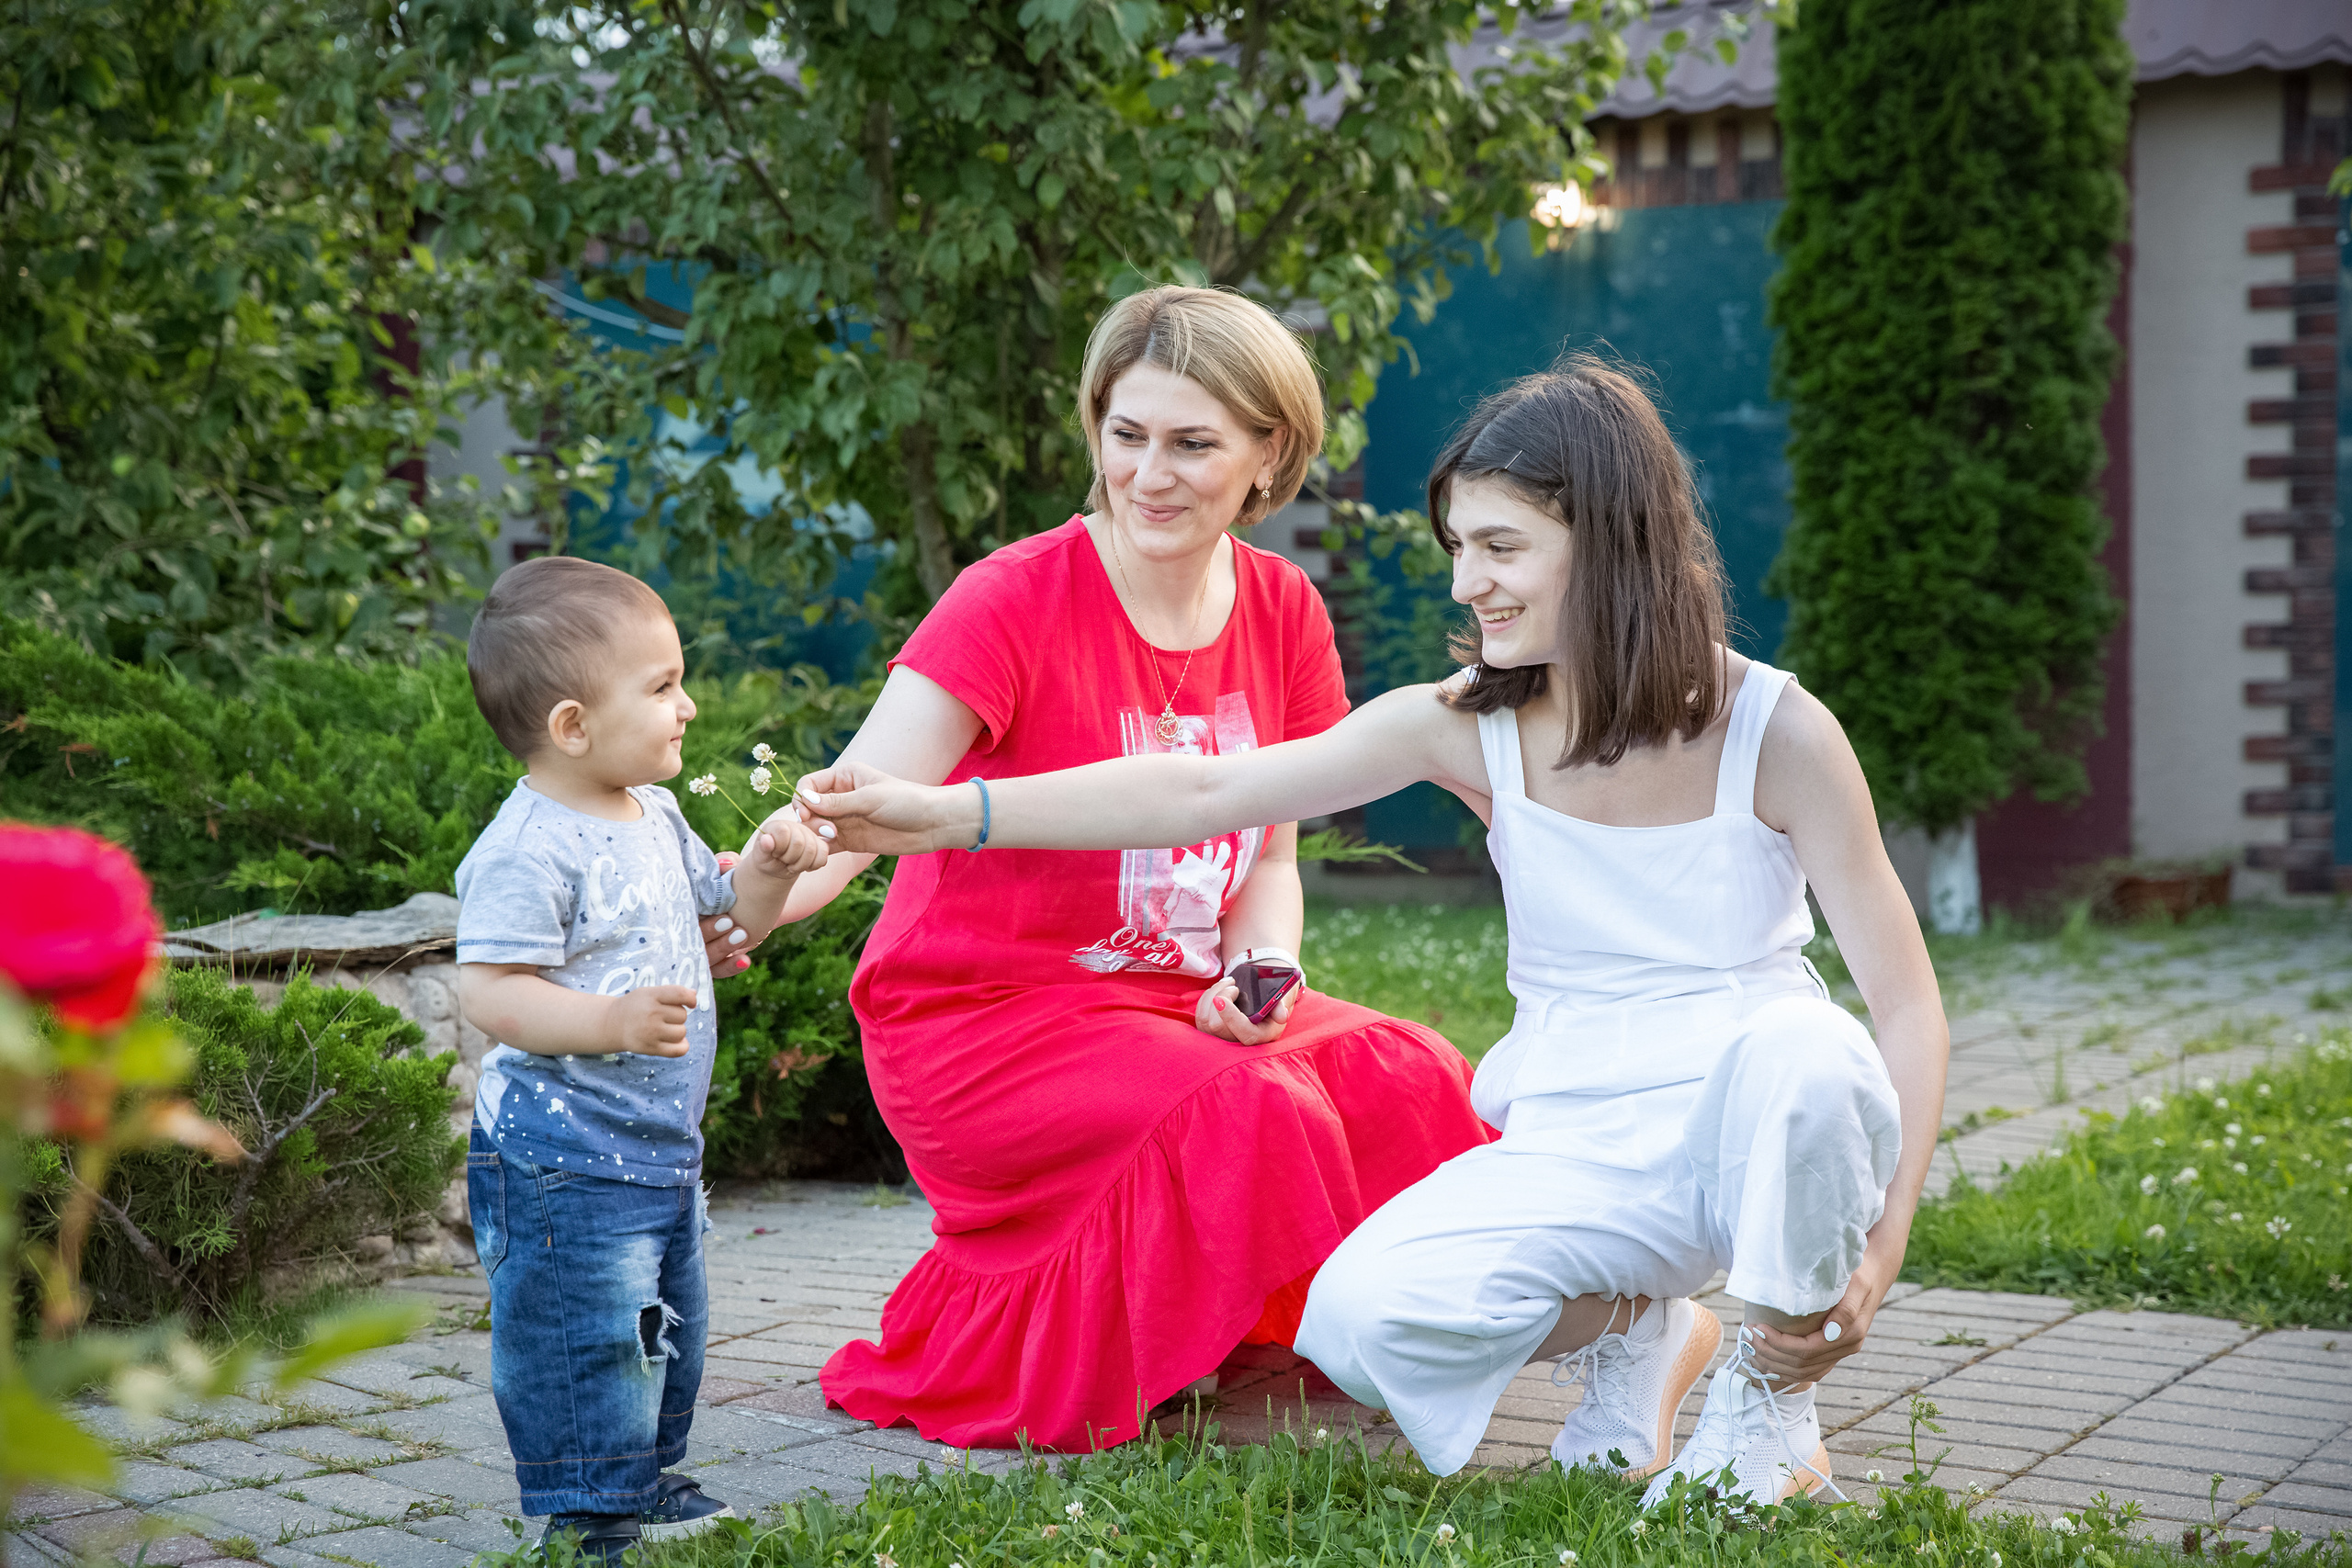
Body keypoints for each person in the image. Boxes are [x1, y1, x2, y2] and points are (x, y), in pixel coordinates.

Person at [788, 355, 1951, 1506]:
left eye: (1499, 550)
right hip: (1587, 1134)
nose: (1465, 587)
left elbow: (1902, 1004)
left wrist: (1884, 1242)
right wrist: (949, 812)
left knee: (1807, 1054)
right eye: (1459, 549)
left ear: (1613, 542)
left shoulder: (1775, 727)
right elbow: (1203, 793)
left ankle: (1770, 1401)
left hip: (1749, 1116)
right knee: (1360, 1326)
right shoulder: (1461, 728)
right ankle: (1640, 1329)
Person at [707, 286, 1491, 1451]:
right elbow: (858, 816)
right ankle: (1178, 1357)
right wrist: (762, 887)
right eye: (1127, 436)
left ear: (1267, 452)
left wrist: (1263, 967)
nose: (1150, 474)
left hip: (1177, 1011)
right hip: (984, 1018)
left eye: (1191, 444)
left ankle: (1325, 1337)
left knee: (1415, 1073)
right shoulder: (1011, 599)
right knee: (1252, 1107)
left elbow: (1268, 858)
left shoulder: (1284, 609)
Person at [451, 556, 830, 1562]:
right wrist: (611, 1022)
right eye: (661, 688)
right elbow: (488, 992)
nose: (688, 706)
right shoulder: (527, 849)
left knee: (664, 1331)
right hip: (560, 1158)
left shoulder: (653, 814)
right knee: (587, 1340)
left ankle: (646, 1482)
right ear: (572, 725)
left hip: (658, 1149)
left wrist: (763, 871)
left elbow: (729, 921)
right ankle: (593, 1513)